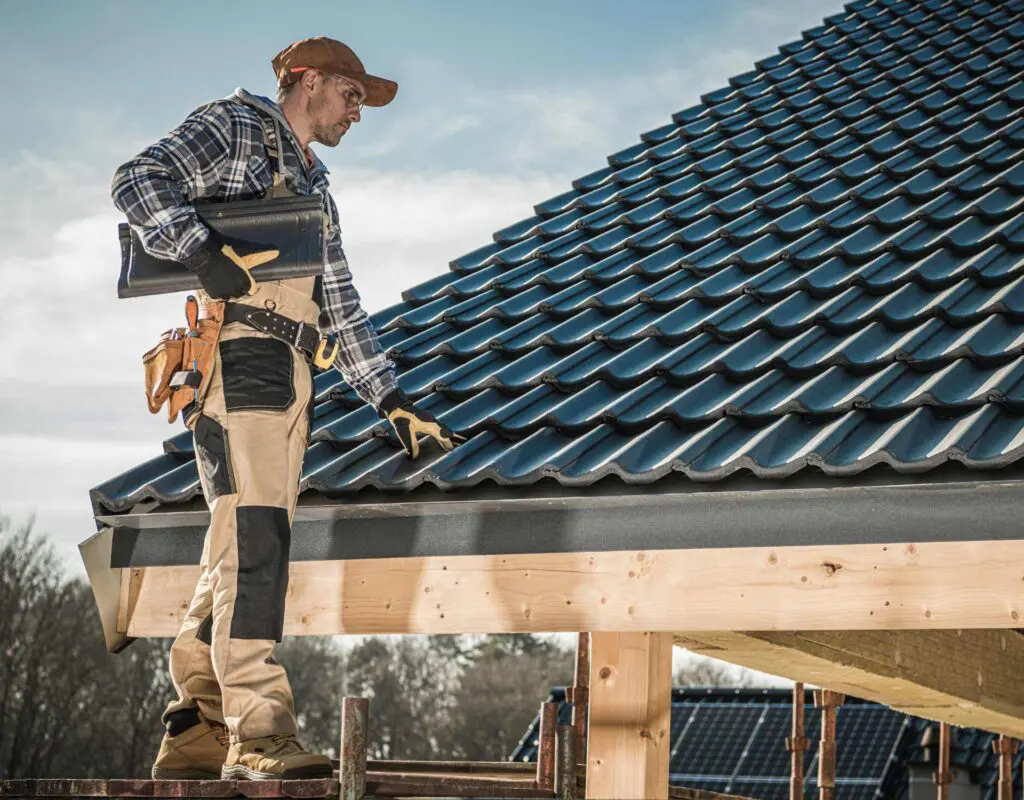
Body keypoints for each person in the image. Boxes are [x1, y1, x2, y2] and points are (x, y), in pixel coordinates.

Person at [110, 36, 462, 781]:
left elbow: (341, 301)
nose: (358, 112)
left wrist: (391, 400)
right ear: (304, 81)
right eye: (351, 94)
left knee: (234, 546)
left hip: (290, 371)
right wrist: (201, 252)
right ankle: (259, 733)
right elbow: (137, 181)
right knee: (259, 543)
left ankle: (196, 726)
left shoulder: (315, 186)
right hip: (242, 362)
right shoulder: (236, 128)